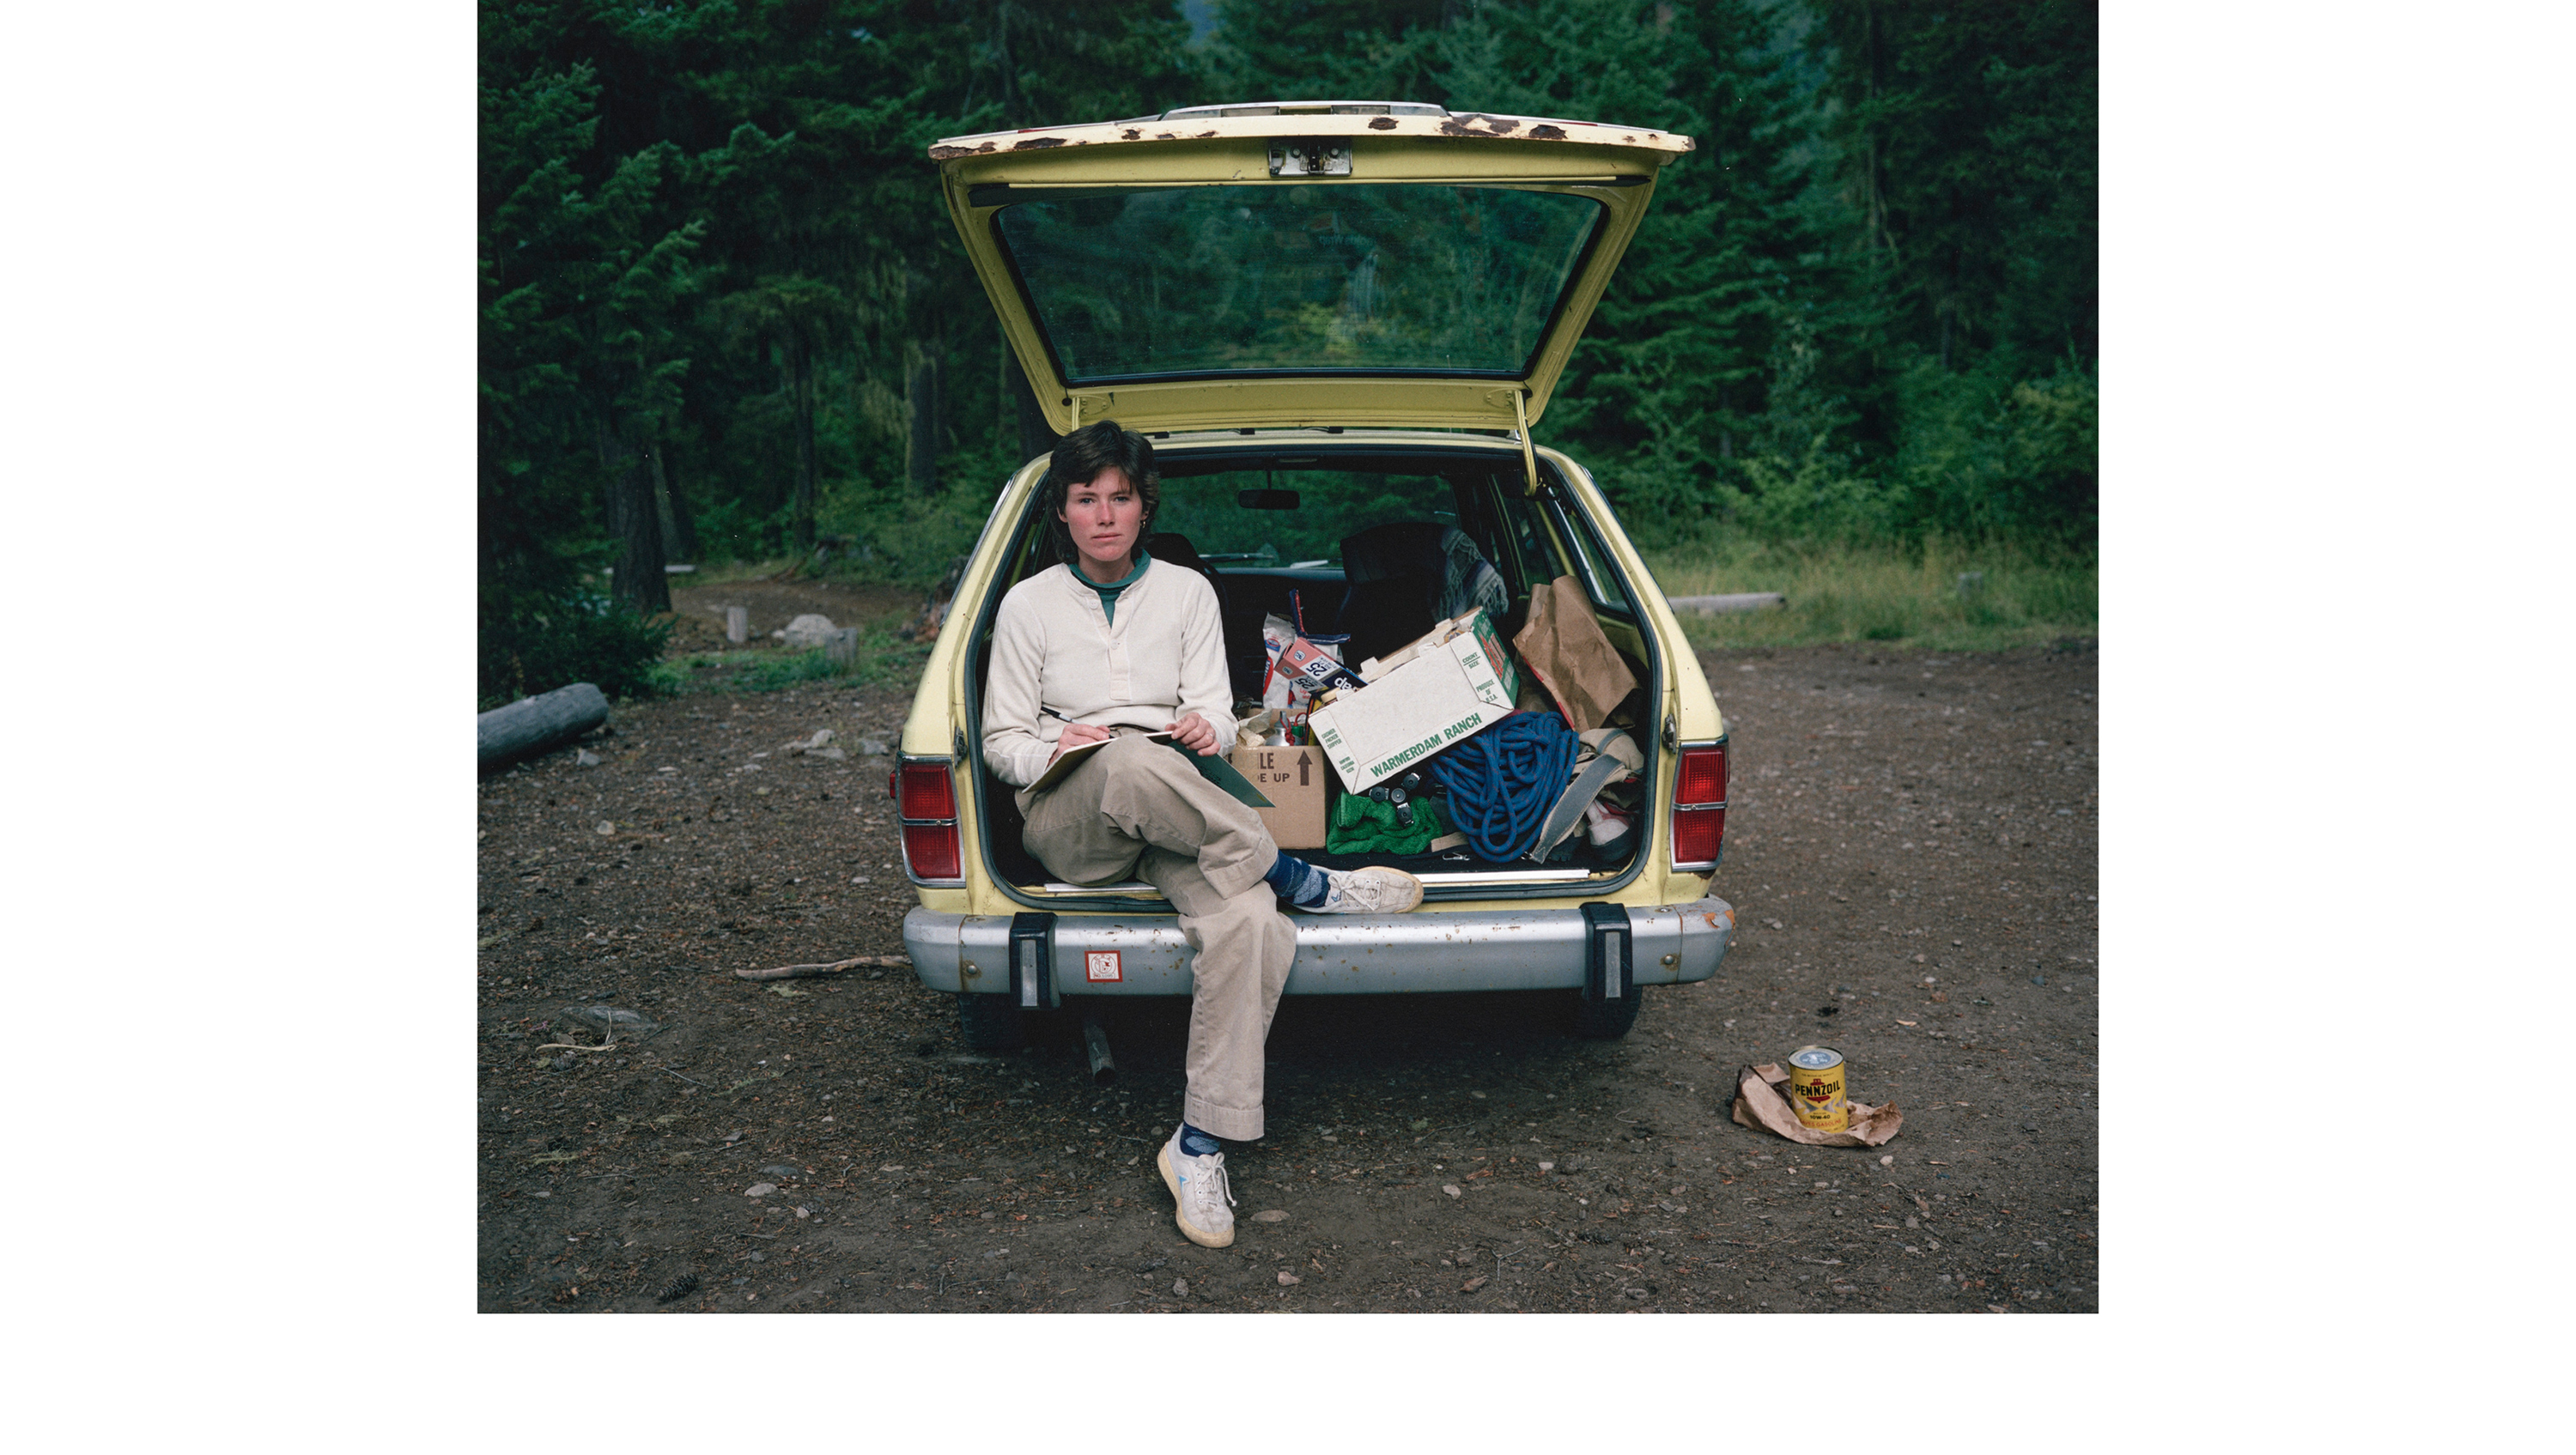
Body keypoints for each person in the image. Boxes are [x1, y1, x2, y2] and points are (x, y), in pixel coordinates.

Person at [982, 421, 1425, 1249]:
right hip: (1070, 812)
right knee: (1120, 759)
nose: (1105, 515)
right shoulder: (1026, 604)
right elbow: (1002, 744)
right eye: (1087, 500)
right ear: (1064, 513)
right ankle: (1304, 877)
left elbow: (1222, 717)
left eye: (1121, 498)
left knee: (1251, 923)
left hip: (1179, 803)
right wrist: (1058, 744)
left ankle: (1198, 1144)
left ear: (1144, 509)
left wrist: (1200, 728)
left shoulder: (1186, 592)